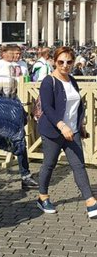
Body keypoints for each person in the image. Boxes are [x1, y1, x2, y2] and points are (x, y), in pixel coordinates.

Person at [36, 47, 97, 217]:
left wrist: (80, 125)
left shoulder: (72, 80)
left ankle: (90, 201)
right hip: (53, 131)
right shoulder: (49, 81)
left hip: (73, 130)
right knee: (49, 164)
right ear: (54, 62)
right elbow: (47, 107)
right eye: (61, 61)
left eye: (69, 62)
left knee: (78, 165)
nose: (65, 65)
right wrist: (62, 125)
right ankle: (42, 196)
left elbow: (77, 105)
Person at [0, 44, 38, 189]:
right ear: (3, 53)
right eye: (13, 53)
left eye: (18, 53)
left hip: (16, 103)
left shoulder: (22, 64)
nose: (16, 56)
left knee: (19, 138)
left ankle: (25, 174)